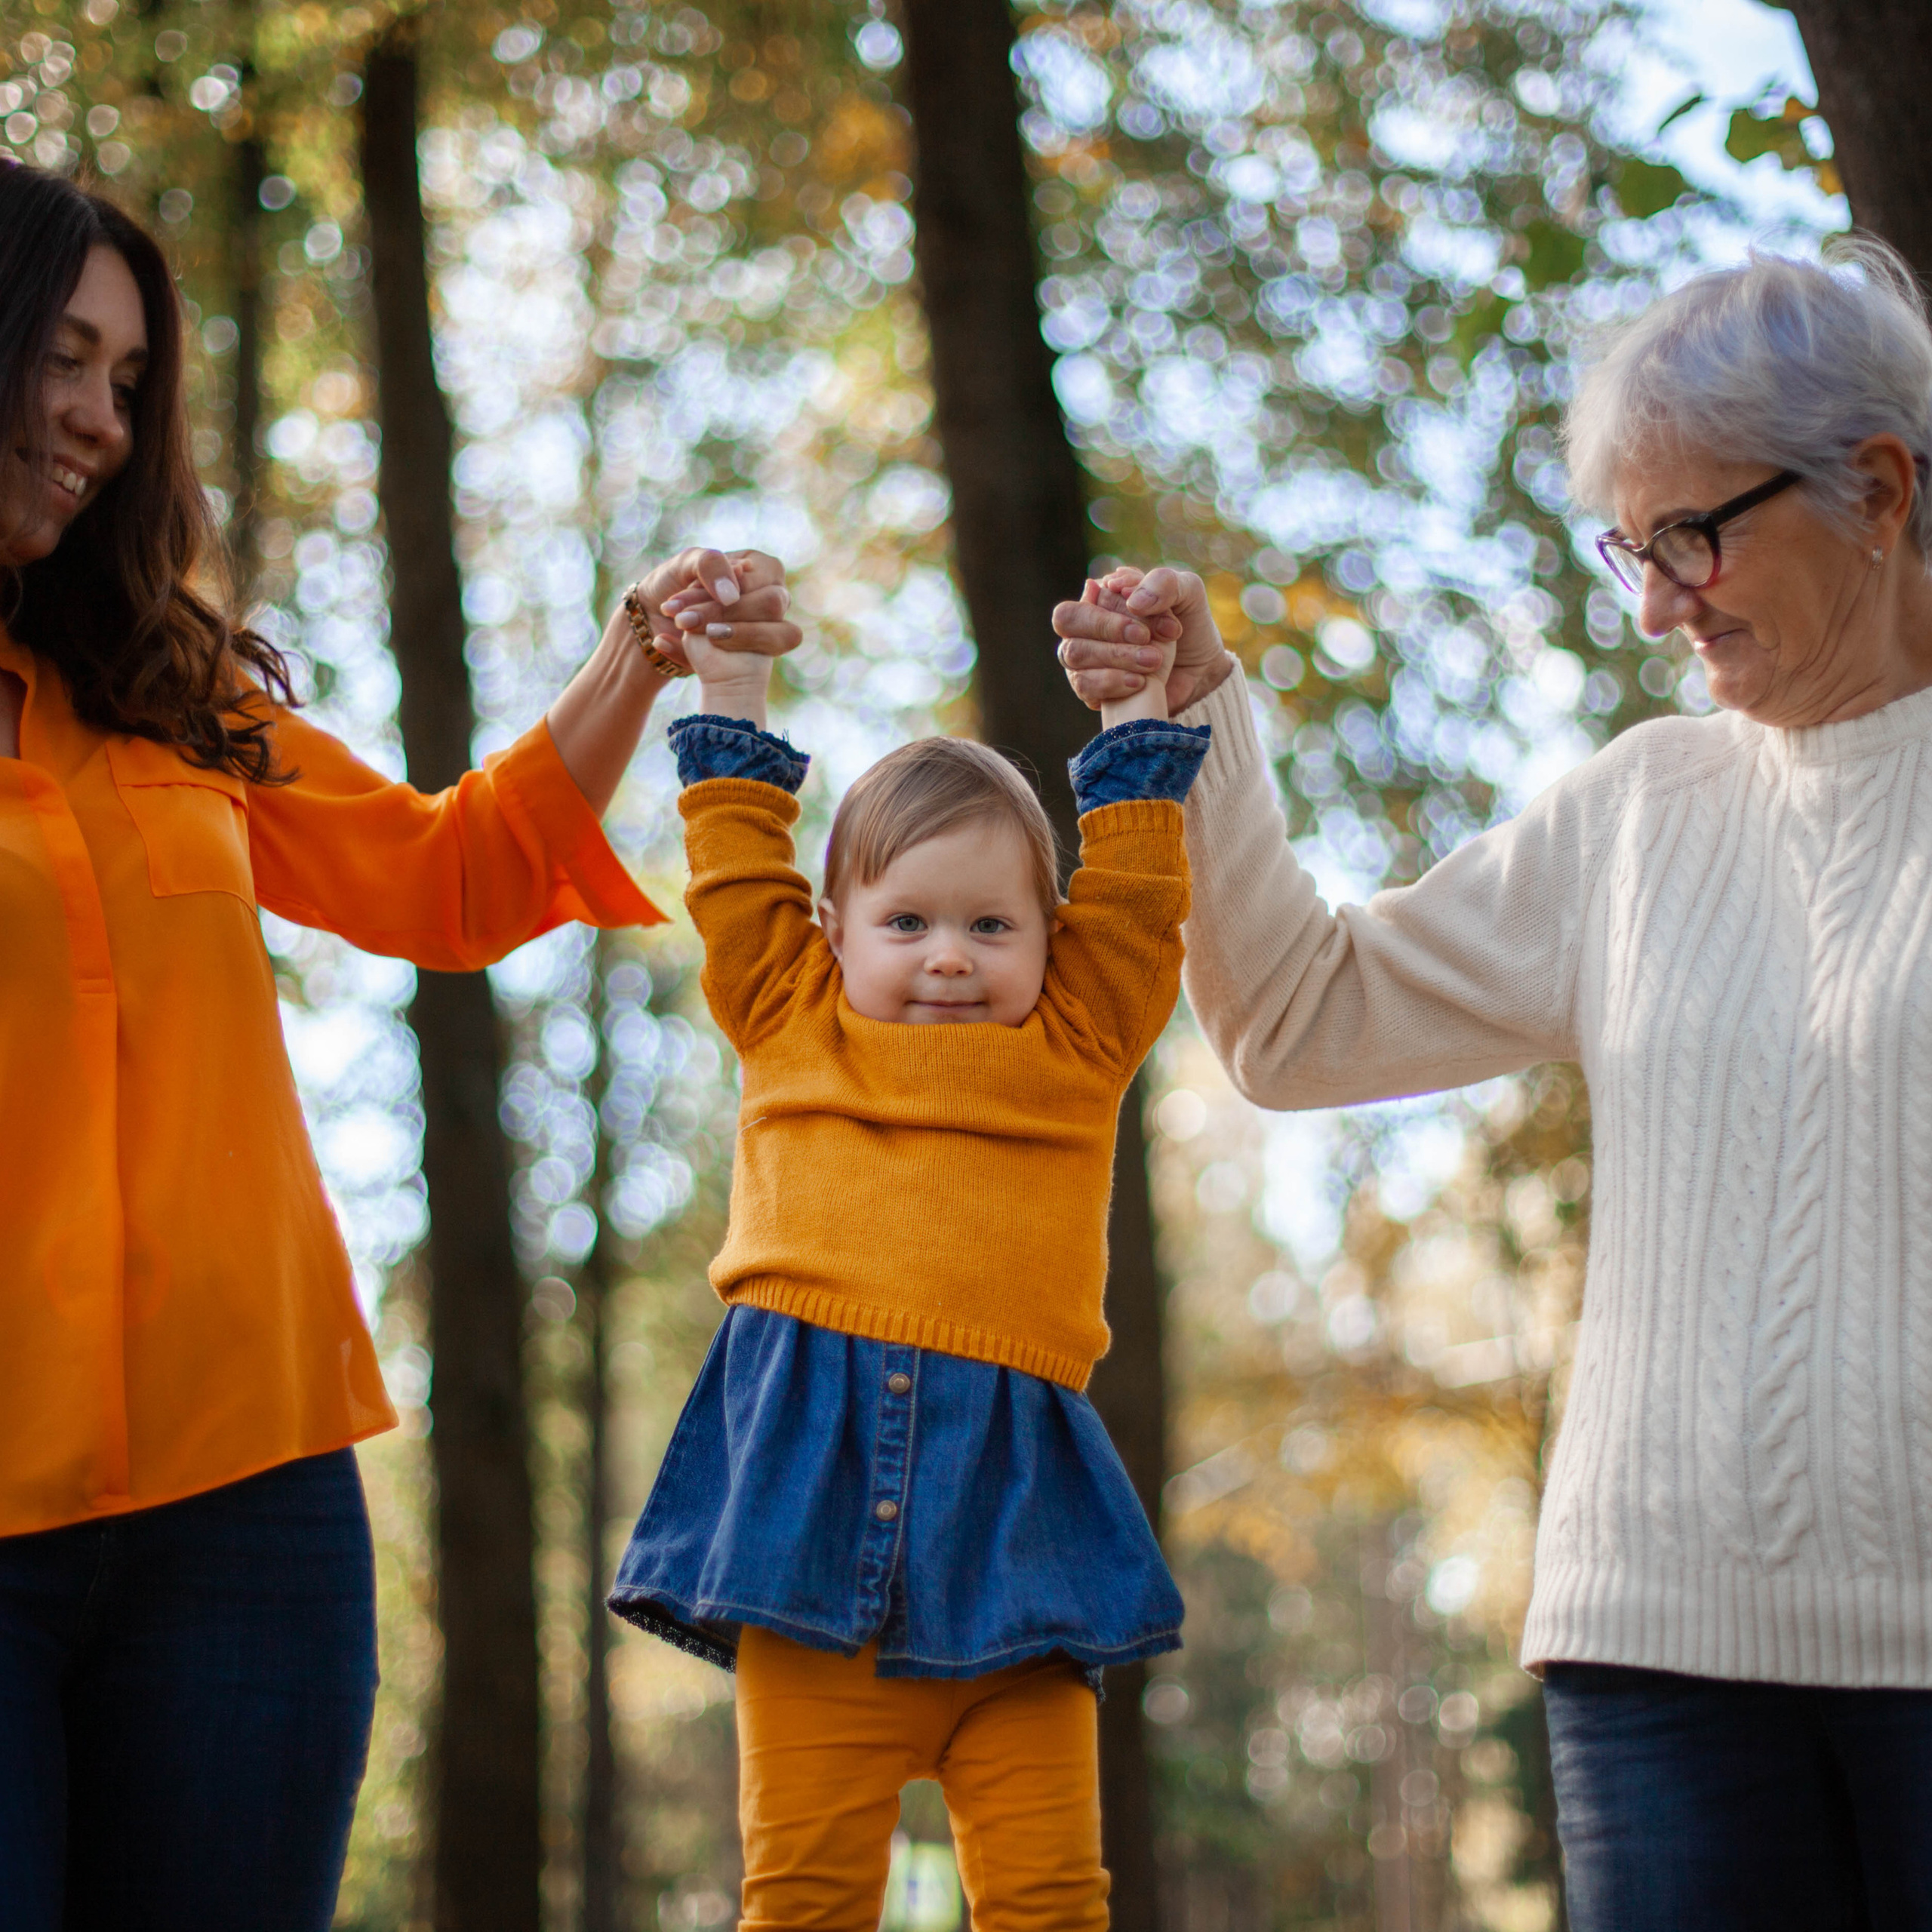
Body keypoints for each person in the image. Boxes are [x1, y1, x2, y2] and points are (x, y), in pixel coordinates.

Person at [1054, 238, 1932, 1930]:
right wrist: (1196, 722)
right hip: (1652, 1658)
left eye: (1695, 533)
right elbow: (1300, 1017)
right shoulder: (1634, 810)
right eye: (1633, 549)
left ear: (1879, 488)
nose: (1662, 601)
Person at [0, 162, 798, 1930]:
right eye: (60, 358)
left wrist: (638, 655)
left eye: (128, 383)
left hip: (247, 1504)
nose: (96, 421)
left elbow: (449, 876)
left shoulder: (164, 689)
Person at [605, 590, 1209, 1929]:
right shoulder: (787, 1014)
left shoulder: (1076, 1046)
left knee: (1053, 1899)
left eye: (993, 926)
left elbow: (1144, 897)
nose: (949, 957)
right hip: (804, 1566)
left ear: (1053, 939)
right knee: (804, 1899)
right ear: (832, 929)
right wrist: (731, 692)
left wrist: (1132, 711)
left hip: (1022, 1568)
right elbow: (733, 870)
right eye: (909, 923)